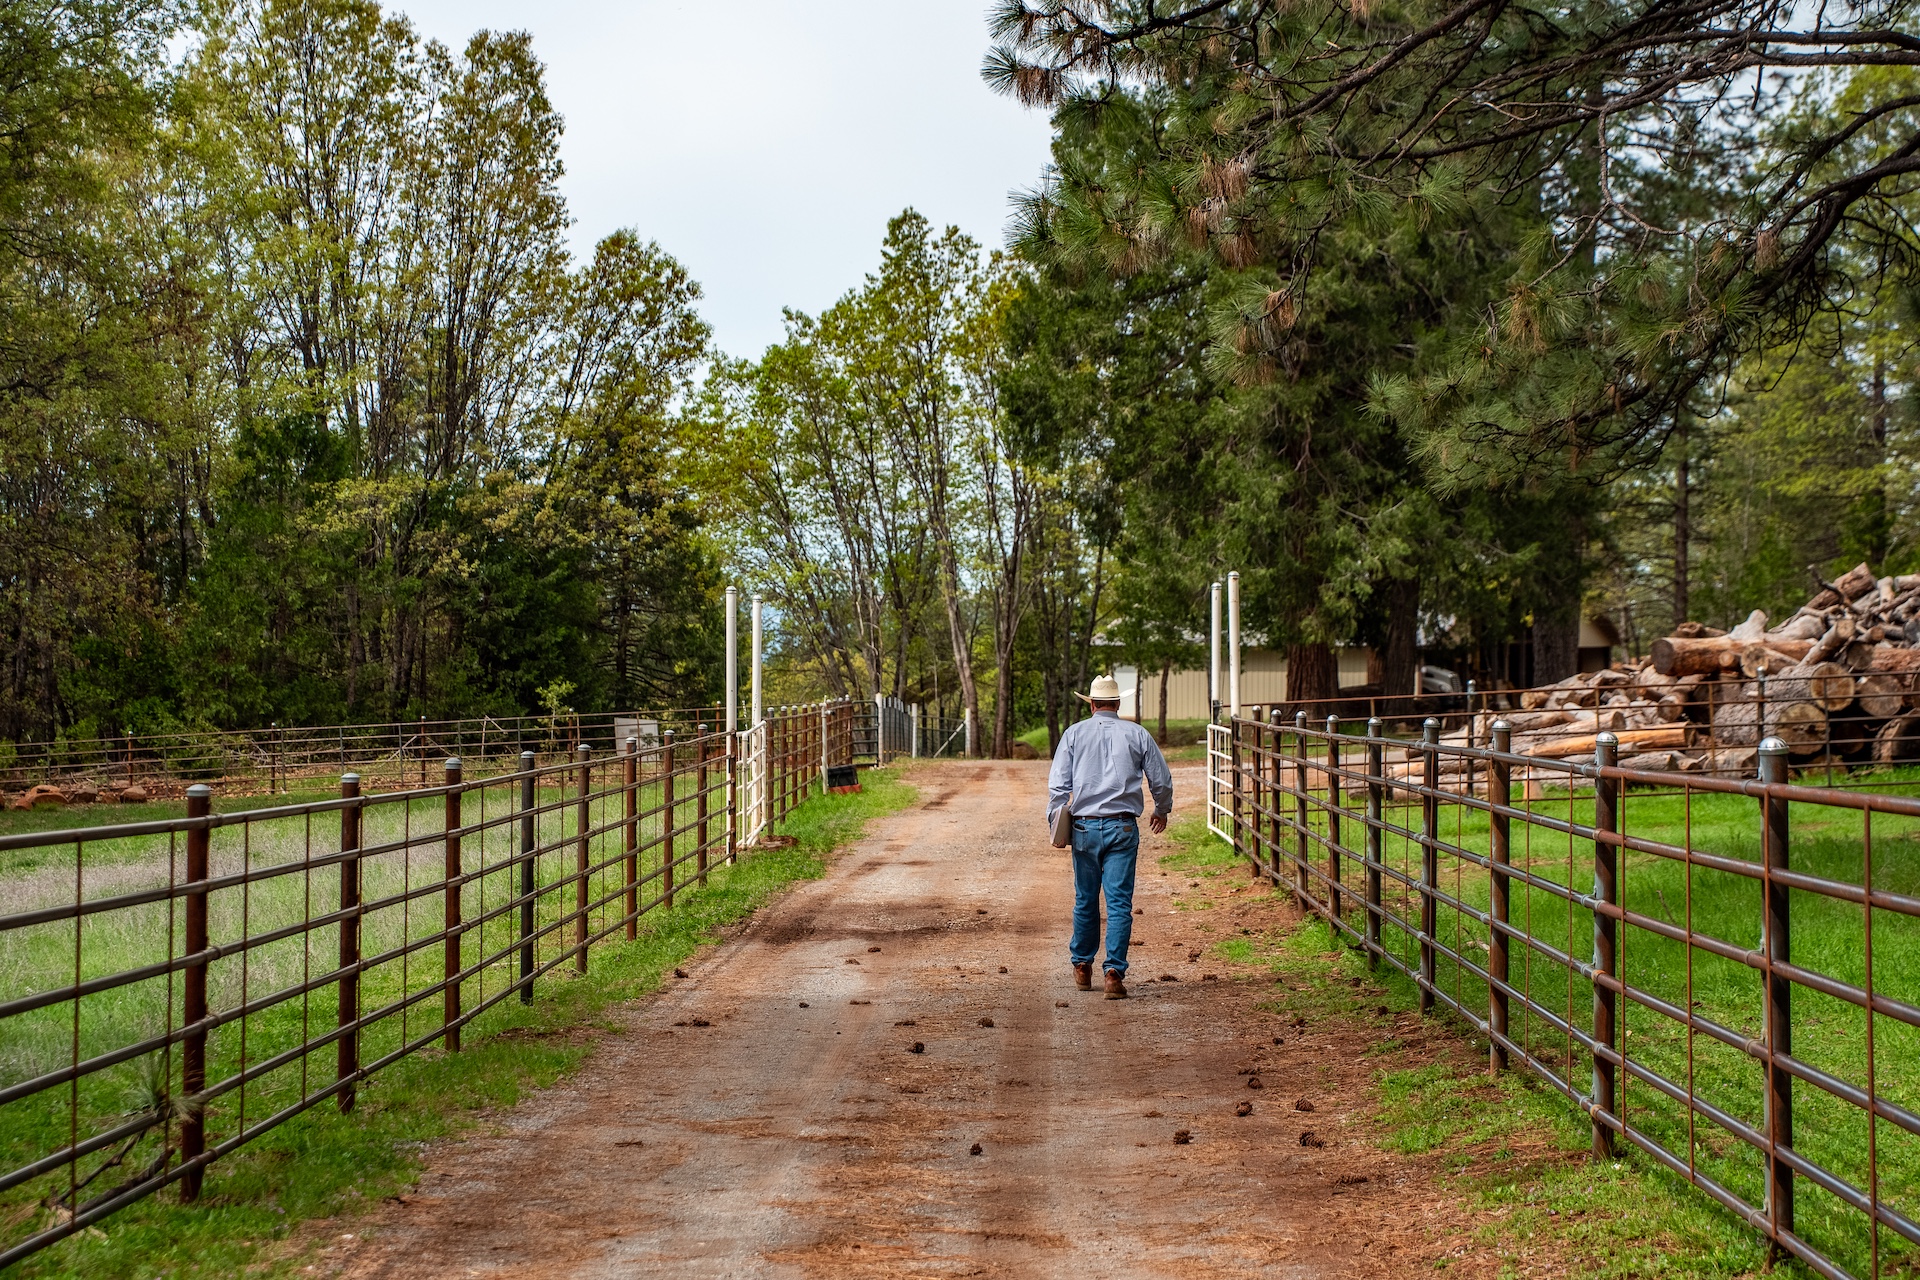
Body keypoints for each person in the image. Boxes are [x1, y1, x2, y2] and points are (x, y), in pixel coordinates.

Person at [1045, 674, 1173, 999]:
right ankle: (1114, 973)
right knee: (1118, 903)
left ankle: (1082, 966)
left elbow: (1058, 785)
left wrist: (1056, 823)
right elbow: (1160, 777)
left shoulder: (1074, 734)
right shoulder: (1137, 734)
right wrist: (1162, 808)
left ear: (1091, 704)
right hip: (1123, 827)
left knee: (1085, 899)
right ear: (1117, 703)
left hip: (1084, 828)